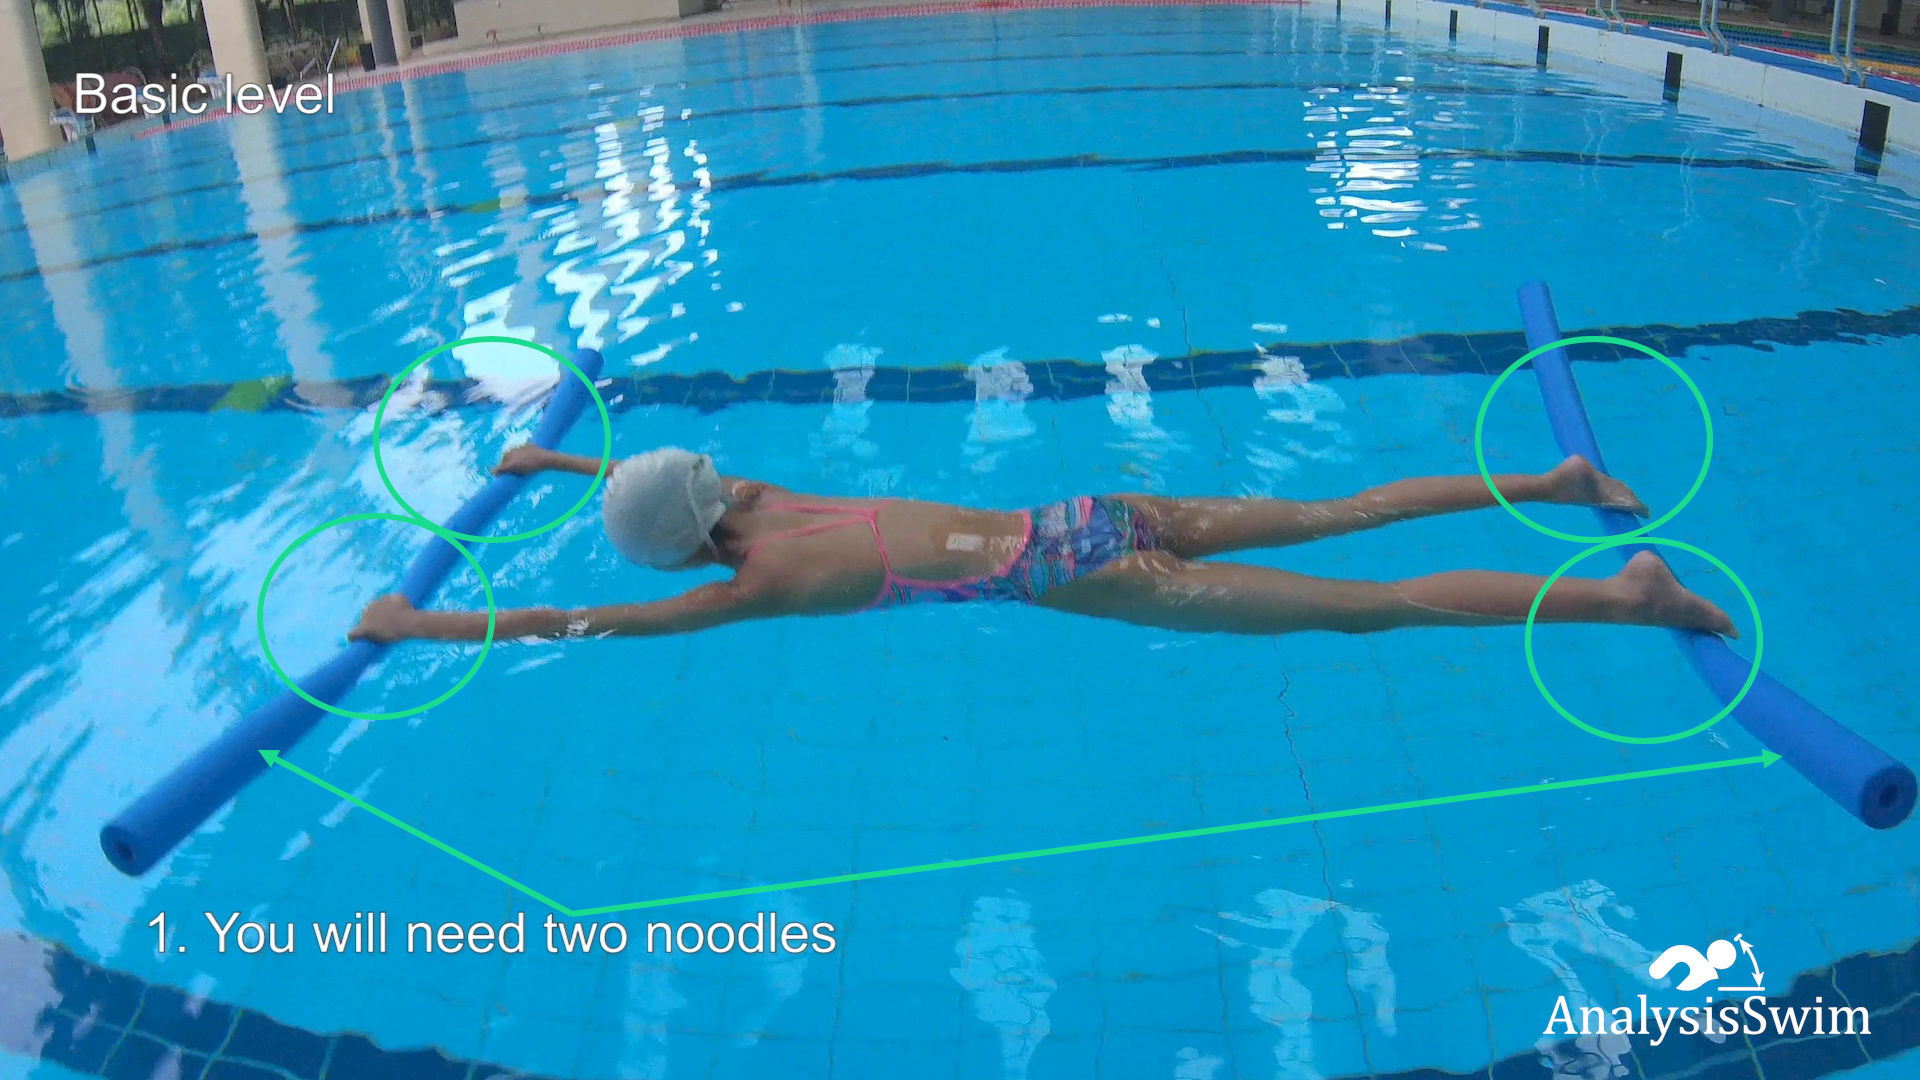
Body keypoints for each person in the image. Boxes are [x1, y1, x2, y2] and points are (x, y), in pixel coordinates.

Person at [349, 445, 1737, 645]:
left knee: (1362, 605)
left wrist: (423, 626)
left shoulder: (754, 580)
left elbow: (584, 626)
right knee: (1343, 514)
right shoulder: (763, 501)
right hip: (1084, 513)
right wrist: (559, 463)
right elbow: (653, 479)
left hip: (1083, 571)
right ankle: (1554, 477)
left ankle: (1631, 598)